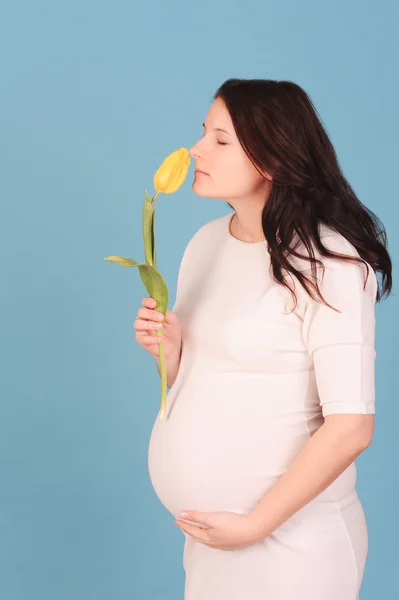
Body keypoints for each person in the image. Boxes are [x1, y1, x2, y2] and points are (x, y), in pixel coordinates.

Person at [134, 78, 393, 600]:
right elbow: (202, 385)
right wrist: (170, 350)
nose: (196, 150)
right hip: (211, 542)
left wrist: (254, 527)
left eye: (221, 140)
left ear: (272, 158)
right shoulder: (205, 243)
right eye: (203, 133)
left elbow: (351, 428)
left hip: (294, 550)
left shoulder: (330, 263)